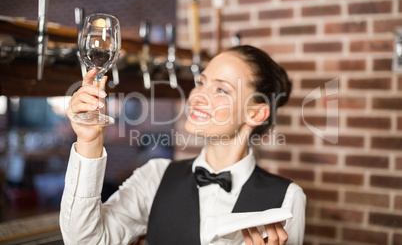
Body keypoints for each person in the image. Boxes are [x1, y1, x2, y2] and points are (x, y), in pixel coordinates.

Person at [60, 45, 306, 245]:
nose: (197, 96)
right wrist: (89, 141)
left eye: (221, 89)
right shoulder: (155, 176)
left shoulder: (287, 198)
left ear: (256, 113)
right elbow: (84, 240)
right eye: (201, 82)